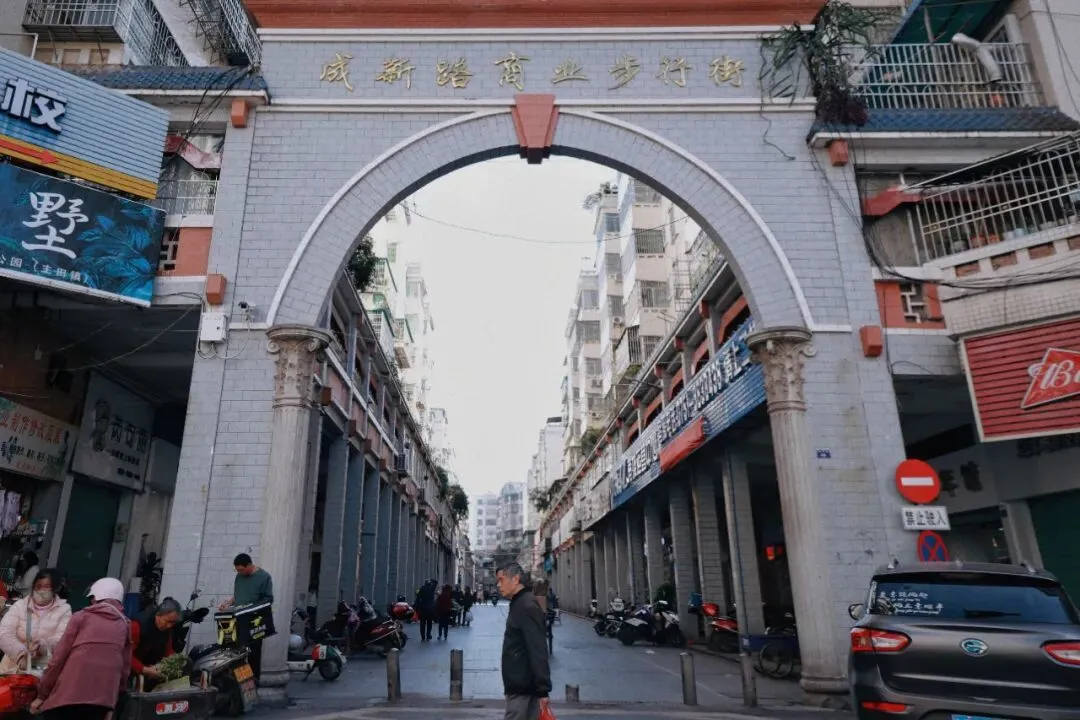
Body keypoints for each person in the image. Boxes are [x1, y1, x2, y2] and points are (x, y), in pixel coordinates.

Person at [29, 577, 132, 720]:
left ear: (95, 597)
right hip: (101, 704)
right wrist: (112, 704)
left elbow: (58, 659)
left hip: (67, 698)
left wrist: (42, 694)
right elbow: (124, 670)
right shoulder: (125, 625)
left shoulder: (81, 617)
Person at [497, 563, 551, 720]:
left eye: (501, 580)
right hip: (520, 684)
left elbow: (537, 647)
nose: (498, 585)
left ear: (515, 579)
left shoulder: (526, 605)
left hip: (522, 687)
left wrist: (543, 688)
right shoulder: (519, 603)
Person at [0, 568, 71, 672]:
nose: (41, 590)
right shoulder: (20, 605)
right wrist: (20, 655)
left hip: (43, 669)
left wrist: (43, 647)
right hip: (12, 666)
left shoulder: (64, 609)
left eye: (46, 587)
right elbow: (4, 633)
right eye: (38, 586)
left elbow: (62, 638)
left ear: (55, 589)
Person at [218, 553, 273, 683]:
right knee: (235, 650)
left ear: (249, 565)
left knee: (253, 652)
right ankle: (238, 682)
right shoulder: (239, 576)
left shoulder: (264, 577)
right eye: (237, 570)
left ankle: (254, 681)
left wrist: (251, 607)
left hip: (254, 620)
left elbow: (268, 599)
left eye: (241, 570)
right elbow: (238, 595)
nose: (239, 572)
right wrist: (229, 603)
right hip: (237, 618)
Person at [130, 597, 182, 689]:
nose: (169, 626)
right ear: (158, 615)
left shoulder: (167, 630)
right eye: (168, 621)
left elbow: (168, 650)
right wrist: (144, 669)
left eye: (173, 623)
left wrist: (175, 661)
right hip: (128, 672)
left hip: (148, 670)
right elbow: (125, 655)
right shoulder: (137, 626)